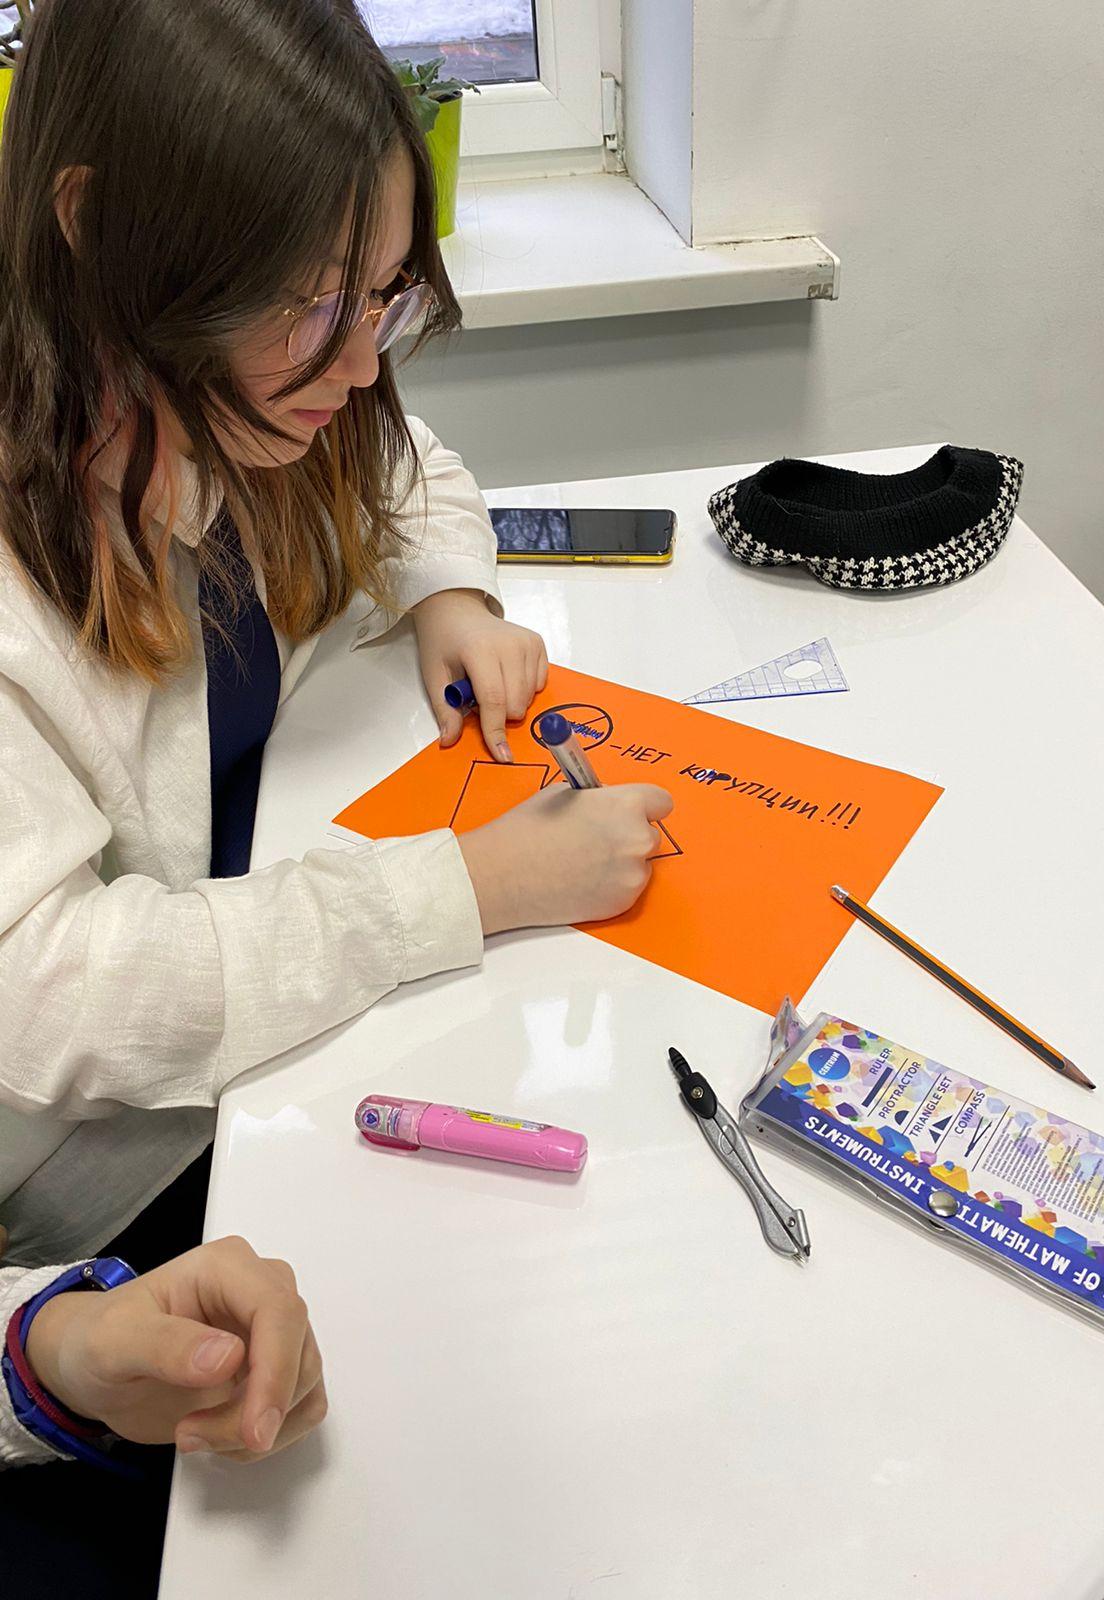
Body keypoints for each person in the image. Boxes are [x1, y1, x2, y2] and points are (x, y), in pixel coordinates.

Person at [0, 0, 671, 1579]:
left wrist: (449, 596)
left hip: (237, 1095)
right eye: (313, 304)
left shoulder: (228, 401)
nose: (363, 357)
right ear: (103, 232)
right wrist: (470, 886)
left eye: (380, 294)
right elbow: (48, 989)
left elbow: (406, 462)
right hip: (79, 1211)